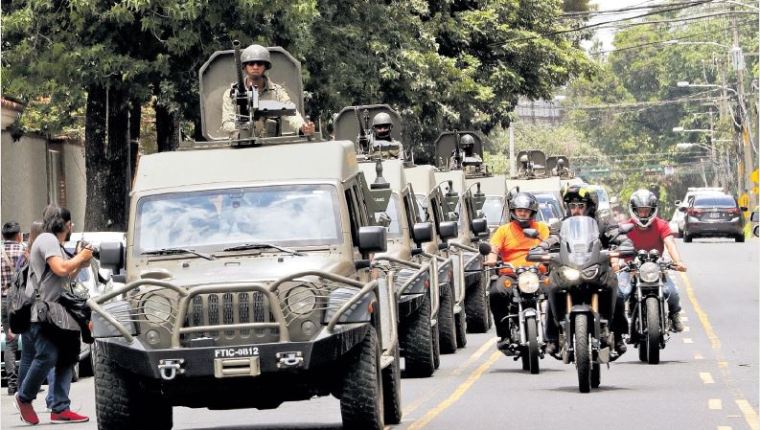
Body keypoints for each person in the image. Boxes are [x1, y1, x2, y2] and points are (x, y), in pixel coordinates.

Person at [15, 206, 93, 425]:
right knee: (48, 355)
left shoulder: (54, 244)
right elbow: (60, 269)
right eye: (71, 224)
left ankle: (60, 408)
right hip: (43, 313)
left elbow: (65, 277)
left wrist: (80, 261)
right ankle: (24, 398)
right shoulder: (47, 239)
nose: (72, 227)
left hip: (58, 312)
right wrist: (81, 256)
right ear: (67, 225)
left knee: (67, 358)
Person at [541, 185, 630, 359]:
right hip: (568, 271)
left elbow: (616, 234)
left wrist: (625, 243)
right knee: (552, 287)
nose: (576, 210)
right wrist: (542, 247)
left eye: (580, 206)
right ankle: (552, 338)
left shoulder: (603, 223)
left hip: (598, 271)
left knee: (617, 292)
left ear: (590, 207)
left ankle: (618, 336)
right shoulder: (560, 225)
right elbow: (553, 238)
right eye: (572, 206)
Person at [484, 192, 550, 350]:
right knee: (495, 293)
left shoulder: (541, 228)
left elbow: (550, 245)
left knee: (558, 289)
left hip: (538, 275)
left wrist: (551, 256)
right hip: (511, 276)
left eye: (526, 211)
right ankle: (504, 335)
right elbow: (494, 247)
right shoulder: (503, 230)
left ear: (532, 212)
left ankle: (556, 333)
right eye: (519, 210)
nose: (522, 213)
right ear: (513, 211)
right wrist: (492, 258)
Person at [617, 189, 686, 332]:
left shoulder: (661, 225)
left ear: (653, 210)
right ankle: (616, 326)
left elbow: (670, 244)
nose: (643, 214)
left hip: (656, 268)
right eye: (640, 210)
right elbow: (617, 247)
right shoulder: (625, 227)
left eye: (646, 210)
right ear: (634, 210)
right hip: (631, 268)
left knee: (672, 293)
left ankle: (674, 316)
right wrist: (615, 263)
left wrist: (678, 261)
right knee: (620, 294)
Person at [221, 43, 315, 138]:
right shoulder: (232, 94)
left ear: (265, 66)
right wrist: (246, 126)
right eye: (251, 63)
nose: (255, 67)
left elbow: (291, 113)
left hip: (271, 144)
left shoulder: (277, 92)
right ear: (244, 67)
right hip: (241, 144)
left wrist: (303, 127)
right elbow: (227, 123)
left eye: (259, 63)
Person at [1, 221, 24, 395]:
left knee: (10, 342)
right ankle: (26, 382)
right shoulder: (24, 251)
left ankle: (12, 384)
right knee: (29, 340)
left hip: (4, 300)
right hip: (22, 300)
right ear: (19, 236)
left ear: (3, 236)